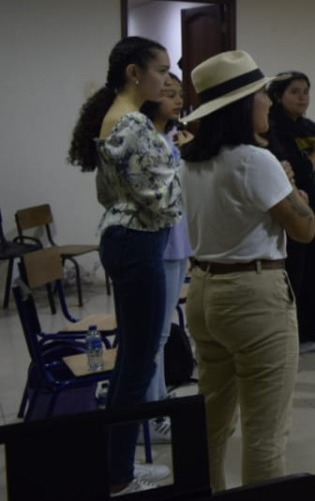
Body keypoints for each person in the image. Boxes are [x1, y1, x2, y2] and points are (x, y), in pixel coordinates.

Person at [180, 50, 315, 490]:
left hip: (203, 292)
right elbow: (304, 231)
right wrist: (295, 188)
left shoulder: (192, 160)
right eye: (261, 95)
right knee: (264, 435)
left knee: (212, 422)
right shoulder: (256, 161)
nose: (269, 103)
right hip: (253, 297)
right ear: (242, 105)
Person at [68, 36, 179, 495]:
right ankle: (119, 477)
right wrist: (180, 178)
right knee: (136, 365)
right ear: (135, 72)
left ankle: (117, 467)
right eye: (161, 70)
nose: (167, 79)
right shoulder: (132, 123)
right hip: (138, 242)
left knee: (130, 364)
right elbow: (163, 199)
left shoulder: (117, 116)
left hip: (126, 238)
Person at [267, 72, 315, 352]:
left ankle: (314, 325)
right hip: (291, 212)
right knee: (297, 274)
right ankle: (298, 334)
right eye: (295, 92)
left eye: (306, 91)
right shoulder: (273, 128)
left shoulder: (309, 126)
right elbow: (295, 170)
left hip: (314, 207)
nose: (302, 97)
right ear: (278, 96)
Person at [138, 72, 194, 442]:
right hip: (161, 243)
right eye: (168, 94)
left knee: (159, 332)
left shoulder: (168, 139)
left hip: (177, 242)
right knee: (154, 334)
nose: (176, 101)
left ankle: (158, 401)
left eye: (179, 95)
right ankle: (153, 414)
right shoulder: (148, 140)